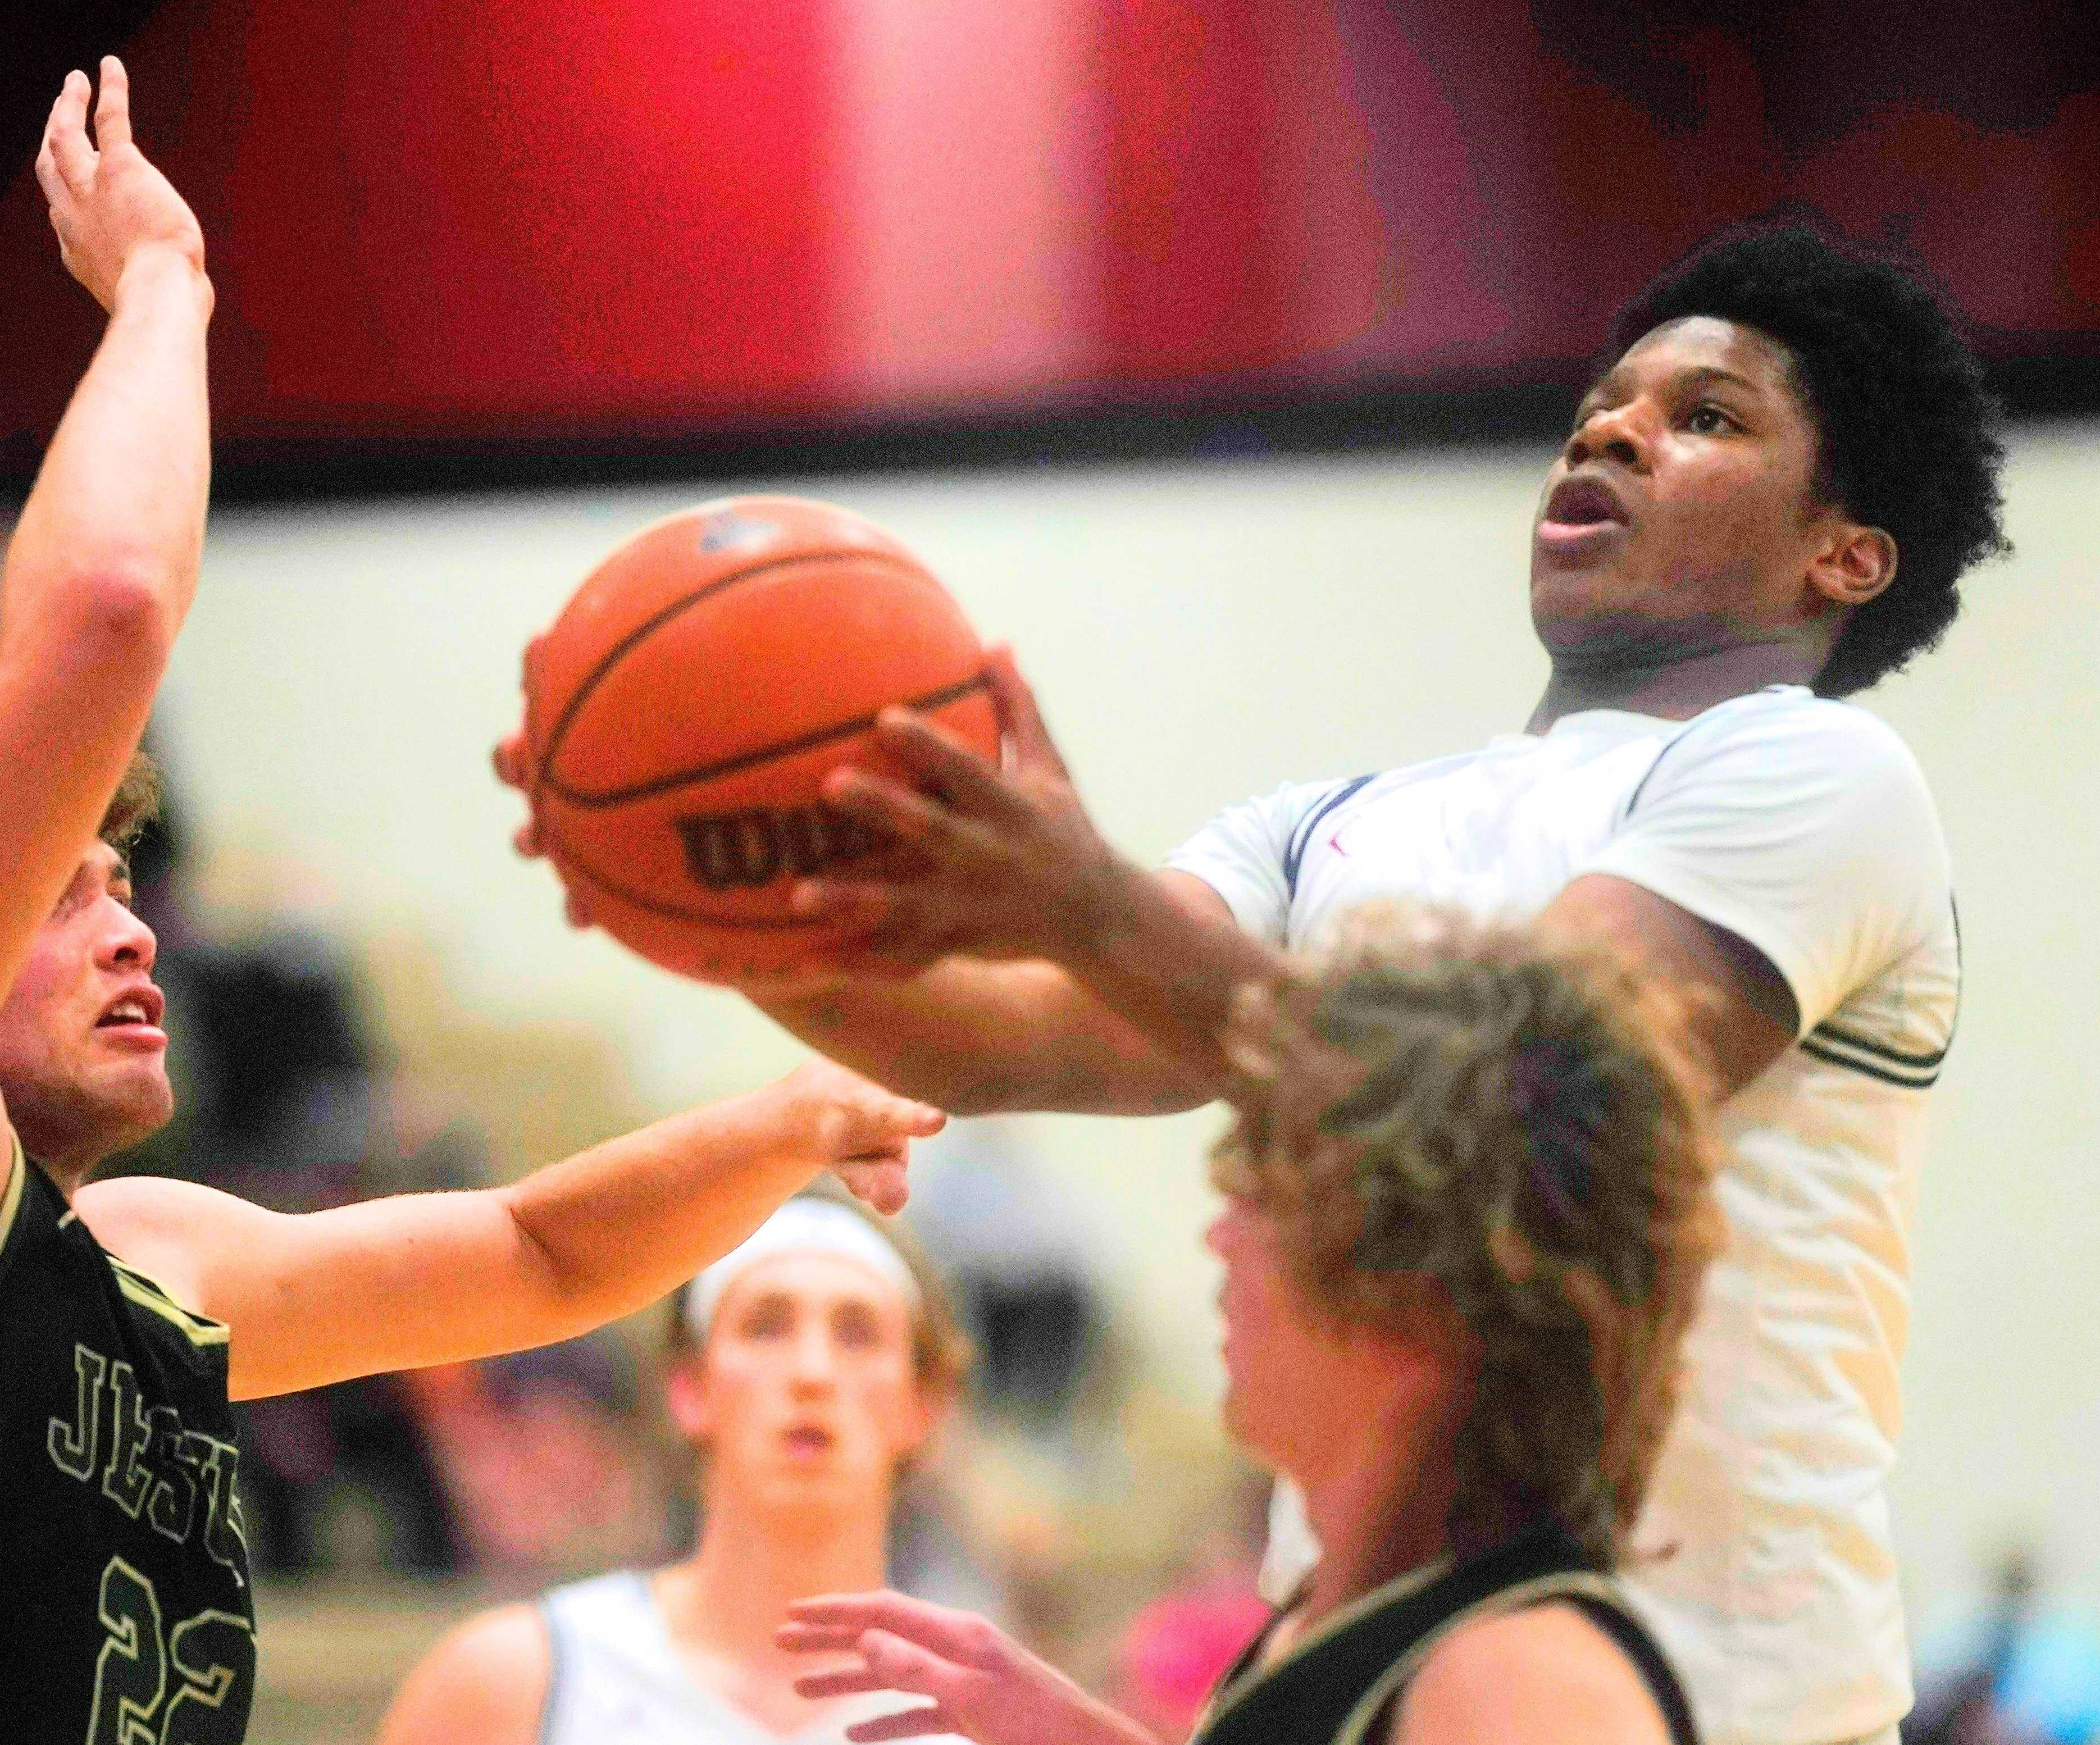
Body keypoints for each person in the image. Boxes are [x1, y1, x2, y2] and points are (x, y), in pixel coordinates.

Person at [505, 220, 2006, 1745]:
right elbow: (1011, 1031)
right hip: (1372, 1665)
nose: (1616, 426)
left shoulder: (1820, 776)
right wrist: (712, 905)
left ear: (1847, 553)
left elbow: (1519, 1113)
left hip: (1713, 1694)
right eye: (1602, 406)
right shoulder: (1330, 821)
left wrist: (1082, 895)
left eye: (1707, 418)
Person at [0, 62, 944, 1745]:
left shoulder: (141, 1257)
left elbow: (539, 1256)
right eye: (57, 892)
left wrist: (782, 1124)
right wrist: (166, 283)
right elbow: (100, 604)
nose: (132, 929)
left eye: (126, 885)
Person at [777, 910, 1720, 1745]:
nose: (1219, 1237)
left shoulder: (1519, 1679)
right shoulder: (1353, 1615)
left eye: (1267, 1197)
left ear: (1411, 1281)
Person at [378, 1187, 976, 1745]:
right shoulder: (511, 1681)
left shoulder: (987, 1720)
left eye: (858, 1333)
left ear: (923, 1404)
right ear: (689, 1387)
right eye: (765, 1326)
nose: (811, 1371)